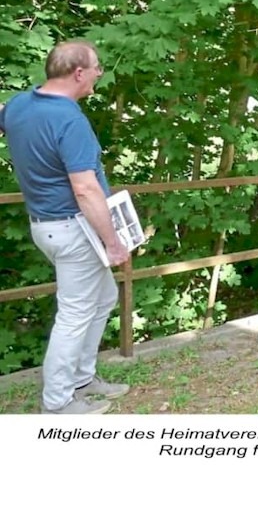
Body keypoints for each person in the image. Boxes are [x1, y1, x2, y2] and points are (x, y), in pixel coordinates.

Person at [0, 40, 130, 414]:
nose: (98, 74)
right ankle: (57, 404)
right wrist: (113, 243)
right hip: (74, 230)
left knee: (103, 297)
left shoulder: (20, 104)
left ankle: (82, 378)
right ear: (78, 73)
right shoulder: (70, 119)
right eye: (96, 68)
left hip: (47, 226)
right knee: (74, 315)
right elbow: (85, 188)